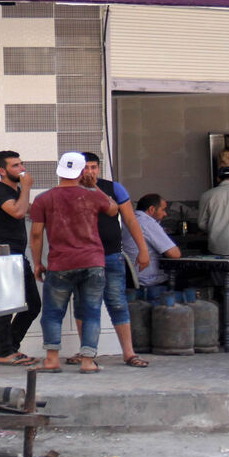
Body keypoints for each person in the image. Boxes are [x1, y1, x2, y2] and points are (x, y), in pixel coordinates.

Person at [29, 152, 119, 374]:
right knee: (91, 312)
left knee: (52, 312)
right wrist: (94, 186)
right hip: (93, 261)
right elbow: (113, 209)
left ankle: (51, 359)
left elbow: (37, 234)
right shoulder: (92, 196)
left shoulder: (43, 199)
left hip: (60, 264)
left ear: (59, 170)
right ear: (81, 172)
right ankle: (88, 361)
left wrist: (37, 262)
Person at [65, 153, 150, 368]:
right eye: (86, 168)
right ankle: (87, 353)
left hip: (111, 255)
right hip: (81, 257)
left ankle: (129, 353)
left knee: (117, 302)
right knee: (83, 304)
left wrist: (143, 249)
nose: (90, 172)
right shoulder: (69, 189)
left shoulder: (113, 188)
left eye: (94, 167)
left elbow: (129, 219)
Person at [0, 150, 41, 367]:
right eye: (15, 166)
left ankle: (9, 348)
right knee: (4, 307)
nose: (22, 168)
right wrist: (26, 187)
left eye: (21, 164)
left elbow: (28, 210)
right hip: (2, 254)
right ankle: (5, 352)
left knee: (33, 305)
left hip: (17, 255)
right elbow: (18, 212)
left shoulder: (16, 192)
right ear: (2, 170)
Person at [123, 193, 182, 295]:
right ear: (151, 209)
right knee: (185, 278)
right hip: (148, 280)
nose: (165, 214)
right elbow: (174, 254)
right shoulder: (147, 222)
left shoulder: (127, 221)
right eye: (163, 210)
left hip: (129, 279)